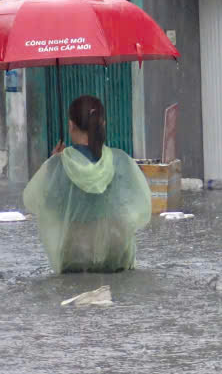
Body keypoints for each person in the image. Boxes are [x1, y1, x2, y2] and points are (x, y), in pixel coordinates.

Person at [23, 95, 152, 273]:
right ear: (103, 125)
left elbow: (39, 203)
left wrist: (52, 166)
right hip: (114, 251)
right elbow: (138, 205)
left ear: (70, 125)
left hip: (74, 254)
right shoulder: (120, 160)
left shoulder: (57, 164)